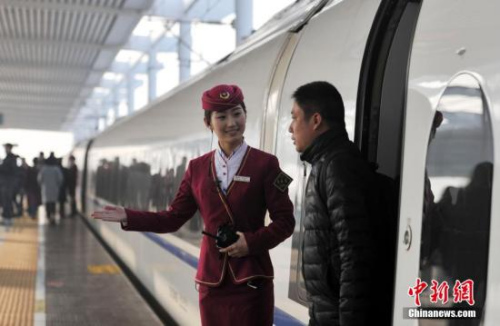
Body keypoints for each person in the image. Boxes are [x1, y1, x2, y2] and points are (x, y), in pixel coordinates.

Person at [92, 84, 296, 326]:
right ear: (208, 123)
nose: (231, 122)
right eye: (222, 116)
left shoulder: (266, 164)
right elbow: (173, 218)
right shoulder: (197, 169)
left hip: (252, 279)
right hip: (212, 282)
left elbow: (285, 222)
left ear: (245, 114)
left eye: (237, 113)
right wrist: (129, 216)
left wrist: (250, 243)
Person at [288, 81, 379, 325]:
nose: (290, 127)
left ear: (315, 120)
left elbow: (354, 254)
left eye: (295, 118)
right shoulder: (325, 163)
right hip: (325, 311)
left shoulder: (337, 166)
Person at [38, 154, 63, 224]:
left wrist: (42, 186)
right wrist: (57, 186)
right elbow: (60, 179)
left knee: (47, 205)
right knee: (53, 204)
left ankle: (49, 217)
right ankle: (53, 216)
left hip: (45, 190)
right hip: (55, 190)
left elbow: (39, 179)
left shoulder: (44, 169)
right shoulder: (56, 169)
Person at [0, 143, 19, 227]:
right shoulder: (10, 158)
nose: (5, 150)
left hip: (8, 183)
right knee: (7, 201)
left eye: (6, 148)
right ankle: (7, 218)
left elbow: (9, 170)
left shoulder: (10, 159)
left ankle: (8, 219)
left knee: (7, 201)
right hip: (7, 183)